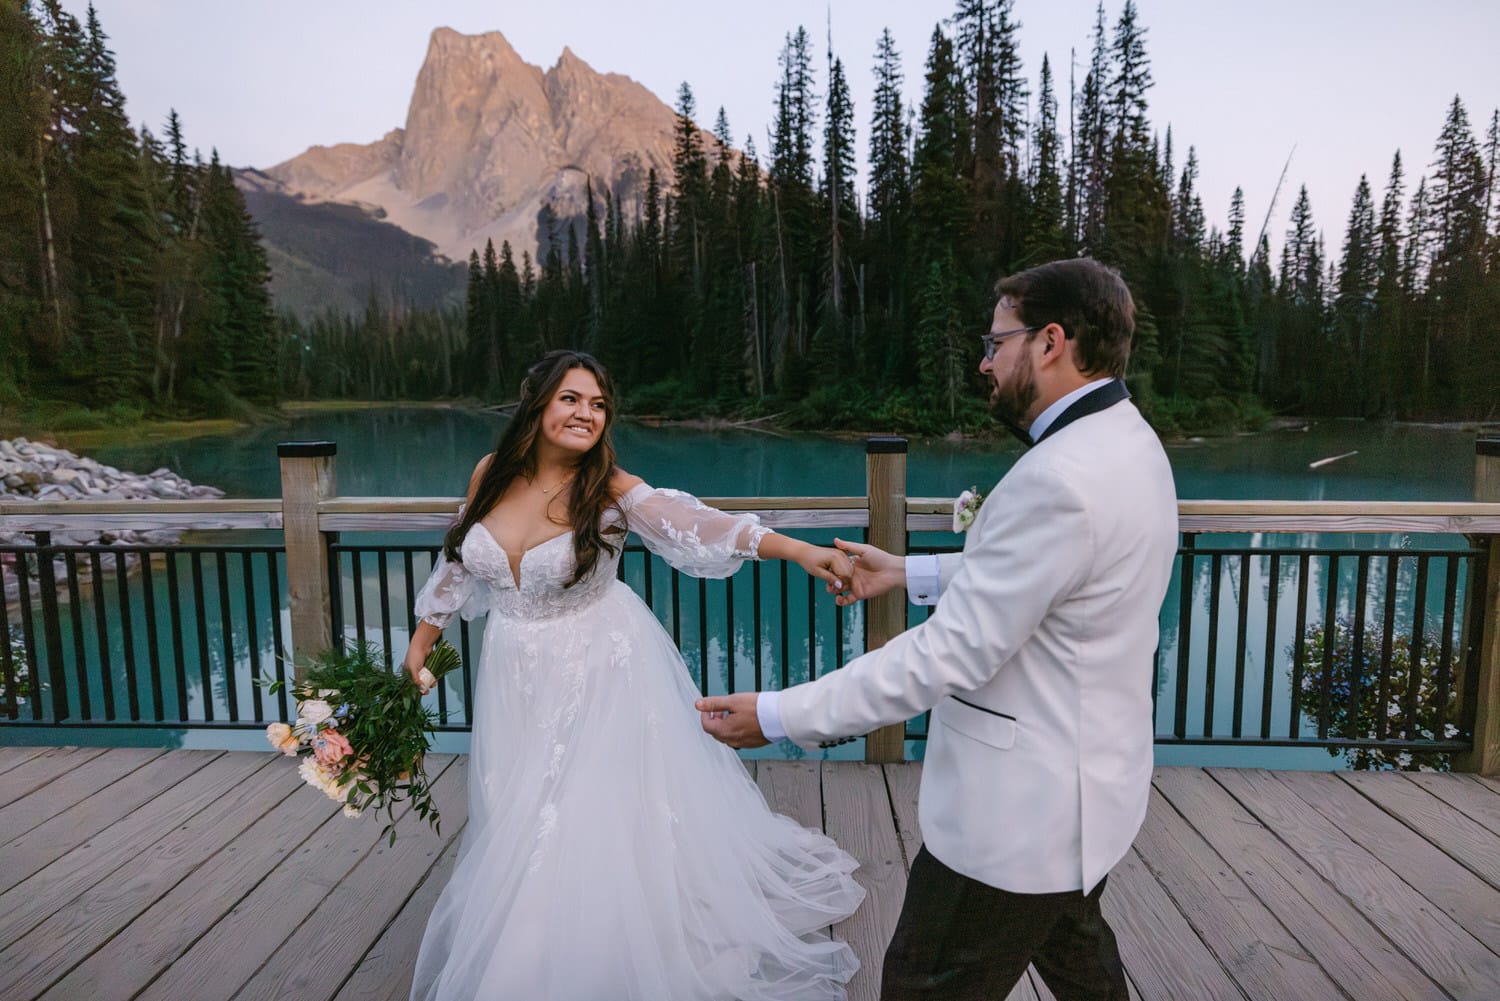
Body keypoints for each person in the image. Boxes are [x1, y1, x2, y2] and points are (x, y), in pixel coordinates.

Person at [698, 258, 1180, 1001]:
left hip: (1013, 821)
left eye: (997, 342)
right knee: (1079, 958)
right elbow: (1054, 582)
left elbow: (944, 654)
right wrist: (906, 572)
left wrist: (779, 714)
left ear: (1051, 341)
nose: (986, 363)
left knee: (922, 986)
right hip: (1088, 796)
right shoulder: (1130, 443)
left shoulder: (1060, 477)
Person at [404, 350, 865, 1001]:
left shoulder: (611, 488)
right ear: (535, 404)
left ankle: (546, 957)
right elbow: (456, 564)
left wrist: (797, 549)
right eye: (571, 398)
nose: (586, 414)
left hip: (599, 666)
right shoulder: (491, 473)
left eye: (597, 404)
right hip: (511, 672)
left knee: (574, 811)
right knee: (520, 804)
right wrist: (419, 644)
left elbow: (703, 525)